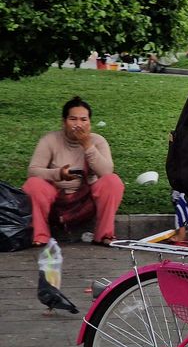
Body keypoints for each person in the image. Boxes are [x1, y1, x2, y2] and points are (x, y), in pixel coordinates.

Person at [22, 96, 124, 246]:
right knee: (33, 184)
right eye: (73, 119)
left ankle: (104, 235)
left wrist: (88, 146)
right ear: (64, 122)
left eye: (83, 120)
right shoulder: (50, 140)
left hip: (85, 200)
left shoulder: (97, 141)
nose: (78, 124)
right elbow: (33, 172)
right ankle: (40, 236)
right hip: (56, 198)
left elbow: (106, 171)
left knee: (113, 181)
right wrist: (58, 174)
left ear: (89, 123)